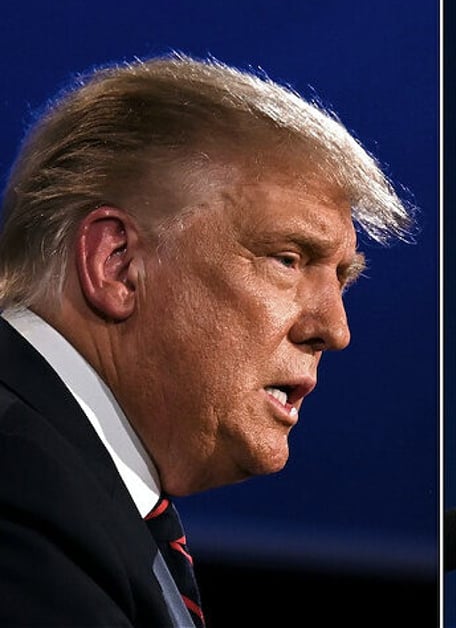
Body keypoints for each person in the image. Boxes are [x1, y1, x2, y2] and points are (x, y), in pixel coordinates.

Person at [0, 52, 412, 626]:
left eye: (342, 279)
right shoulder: (20, 485)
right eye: (288, 259)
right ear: (117, 264)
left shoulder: (74, 483)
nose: (334, 330)